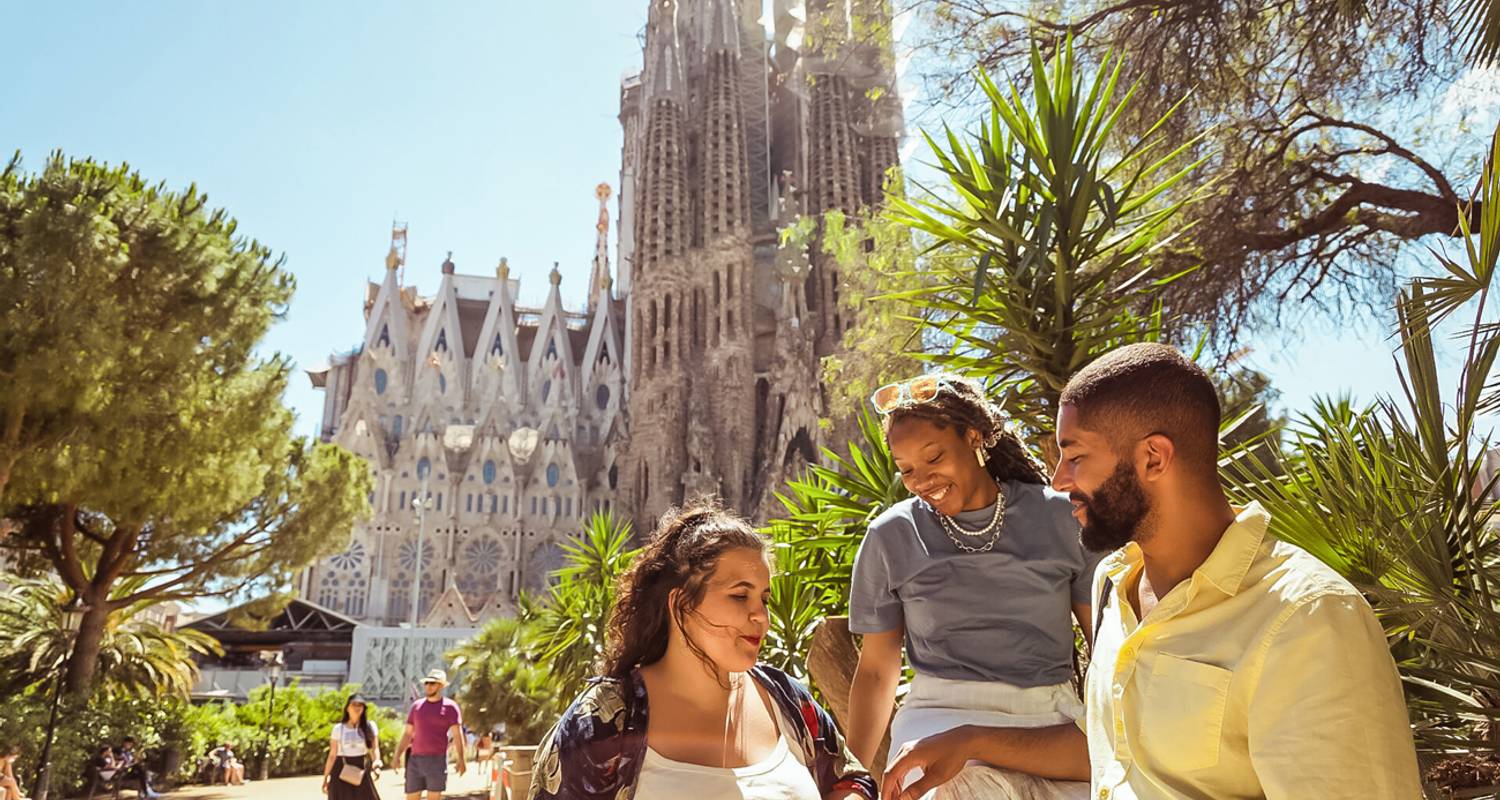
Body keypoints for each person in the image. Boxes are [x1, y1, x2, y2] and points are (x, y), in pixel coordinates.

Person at [882, 343, 1425, 799]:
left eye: (1075, 456)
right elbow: (1106, 755)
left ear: (1153, 458)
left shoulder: (1306, 620)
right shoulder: (1114, 589)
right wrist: (972, 740)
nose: (1059, 480)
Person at [848, 373, 1100, 800]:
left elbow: (1105, 643)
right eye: (906, 469)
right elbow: (875, 672)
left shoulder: (1060, 518)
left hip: (1048, 719)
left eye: (934, 457)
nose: (922, 479)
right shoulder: (891, 535)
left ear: (974, 437)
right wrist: (849, 781)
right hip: (937, 719)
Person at [529, 500, 877, 800]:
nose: (761, 616)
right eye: (740, 596)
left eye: (764, 599)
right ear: (681, 605)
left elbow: (852, 778)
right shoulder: (605, 719)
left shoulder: (787, 700)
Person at [394, 668, 466, 800]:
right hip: (415, 759)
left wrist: (461, 759)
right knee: (411, 797)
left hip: (437, 760)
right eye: (426, 683)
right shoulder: (416, 706)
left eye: (432, 683)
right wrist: (397, 755)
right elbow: (407, 734)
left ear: (441, 686)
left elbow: (457, 735)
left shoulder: (451, 707)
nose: (428, 686)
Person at [323, 693, 383, 800]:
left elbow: (375, 749)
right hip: (341, 769)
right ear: (347, 708)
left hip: (361, 767)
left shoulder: (370, 727)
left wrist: (376, 764)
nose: (357, 708)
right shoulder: (338, 729)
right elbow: (332, 755)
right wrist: (326, 776)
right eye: (354, 704)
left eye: (360, 705)